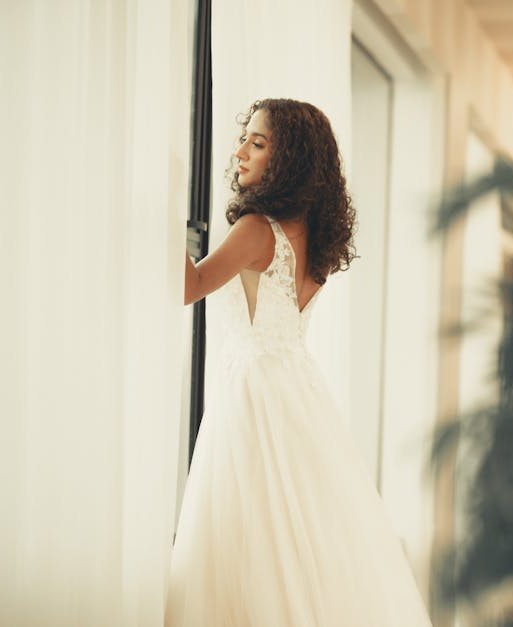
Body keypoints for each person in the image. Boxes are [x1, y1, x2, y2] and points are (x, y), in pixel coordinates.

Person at [166, 98, 433, 626]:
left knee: (245, 534)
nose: (240, 151)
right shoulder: (311, 237)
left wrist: (167, 213)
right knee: (297, 533)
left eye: (257, 143)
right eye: (246, 137)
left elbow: (189, 287)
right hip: (297, 390)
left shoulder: (257, 230)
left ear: (286, 160)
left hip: (252, 391)